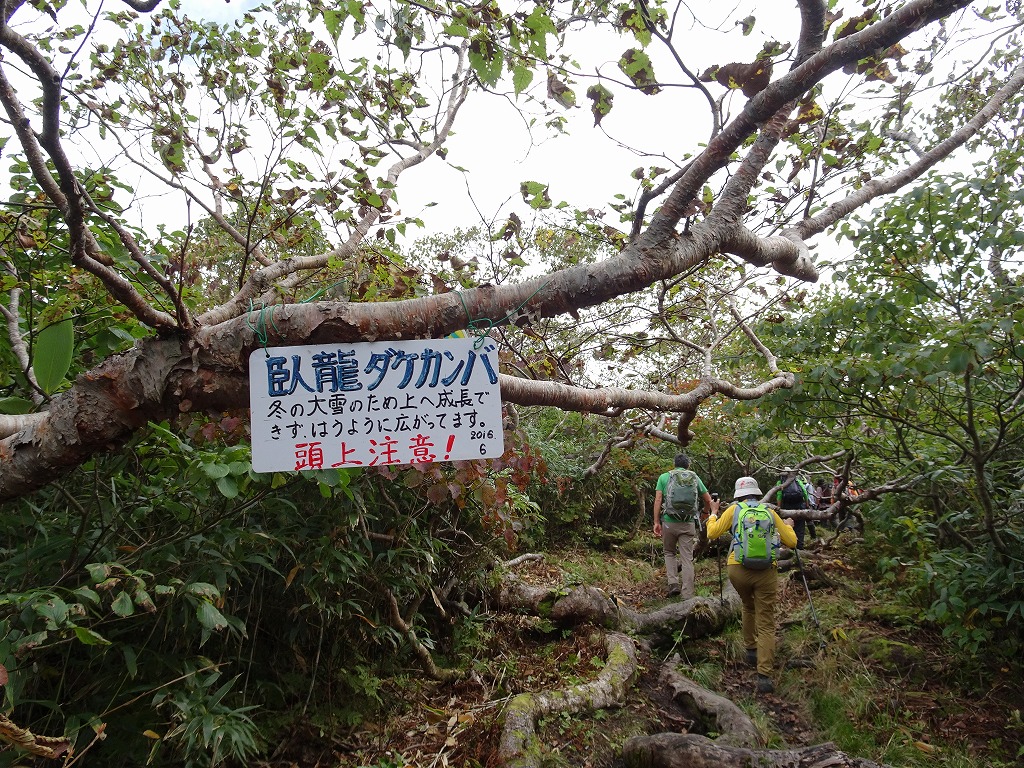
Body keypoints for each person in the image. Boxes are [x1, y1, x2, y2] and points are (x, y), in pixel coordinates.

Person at [706, 476, 797, 694]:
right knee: (766, 623)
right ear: (757, 493)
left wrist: (713, 513)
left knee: (748, 605)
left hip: (737, 569)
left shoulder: (734, 510)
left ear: (738, 495)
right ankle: (764, 675)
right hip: (766, 572)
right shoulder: (770, 512)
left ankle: (750, 649)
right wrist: (788, 526)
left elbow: (712, 533)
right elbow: (792, 542)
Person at [653, 454, 719, 598]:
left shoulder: (664, 477)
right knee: (687, 558)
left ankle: (673, 584)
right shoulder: (694, 478)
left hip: (669, 522)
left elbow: (658, 500)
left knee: (669, 552)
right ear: (688, 465)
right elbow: (708, 500)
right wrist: (705, 513)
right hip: (688, 523)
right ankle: (687, 593)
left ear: (674, 464)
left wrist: (656, 522)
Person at [777, 467, 814, 549]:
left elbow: (779, 495)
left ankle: (791, 546)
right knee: (800, 527)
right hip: (799, 507)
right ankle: (800, 546)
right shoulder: (798, 481)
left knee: (788, 526)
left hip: (786, 508)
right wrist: (807, 504)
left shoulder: (780, 482)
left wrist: (779, 508)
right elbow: (805, 493)